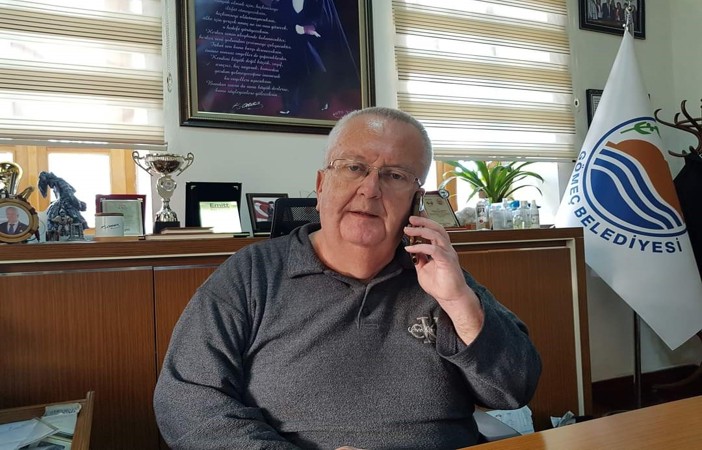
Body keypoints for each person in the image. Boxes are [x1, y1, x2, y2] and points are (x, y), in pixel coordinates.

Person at [154, 106, 541, 449]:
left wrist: (459, 302)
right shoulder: (252, 275)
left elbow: (513, 390)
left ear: (416, 200)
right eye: (354, 167)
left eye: (394, 175)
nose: (370, 189)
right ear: (321, 185)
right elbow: (185, 401)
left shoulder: (438, 275)